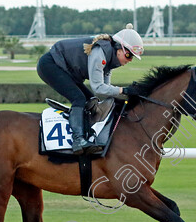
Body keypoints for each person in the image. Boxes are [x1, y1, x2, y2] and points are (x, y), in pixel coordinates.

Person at [36, 24, 145, 155]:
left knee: (91, 100)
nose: (130, 60)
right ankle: (78, 140)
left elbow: (104, 93)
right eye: (129, 55)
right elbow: (99, 88)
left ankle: (88, 135)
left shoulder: (110, 60)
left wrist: (127, 95)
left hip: (65, 69)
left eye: (132, 57)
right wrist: (124, 91)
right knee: (79, 99)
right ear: (120, 49)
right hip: (50, 65)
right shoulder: (100, 53)